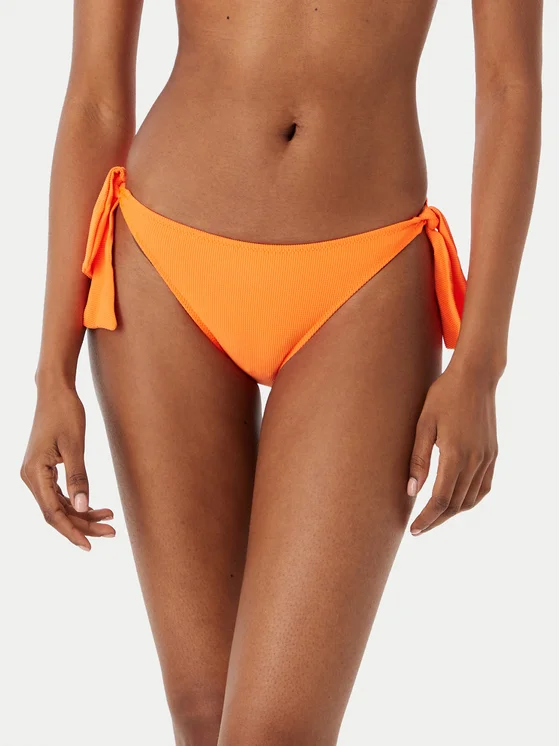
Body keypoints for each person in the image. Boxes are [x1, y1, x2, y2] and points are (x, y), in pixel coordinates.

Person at [20, 1, 542, 743]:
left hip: (369, 280)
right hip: (164, 266)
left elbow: (509, 87)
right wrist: (53, 373)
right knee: (204, 716)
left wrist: (481, 363)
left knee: (275, 732)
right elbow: (95, 97)